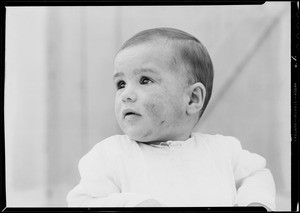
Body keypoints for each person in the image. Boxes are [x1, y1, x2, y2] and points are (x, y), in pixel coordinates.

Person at [66, 28, 276, 209]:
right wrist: (133, 205)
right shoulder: (109, 155)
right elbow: (83, 202)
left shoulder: (224, 151)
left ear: (192, 98)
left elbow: (257, 175)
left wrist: (254, 203)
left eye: (145, 80)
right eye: (120, 83)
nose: (126, 94)